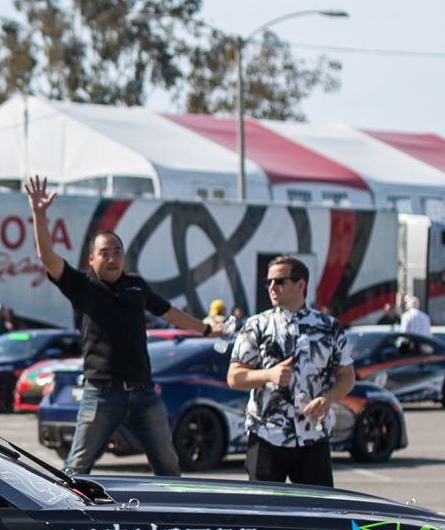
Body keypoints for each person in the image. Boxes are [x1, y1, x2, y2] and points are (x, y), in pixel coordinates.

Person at [24, 175, 224, 476]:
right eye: (104, 252)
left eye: (117, 251)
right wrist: (40, 214)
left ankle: (169, 520)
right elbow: (47, 256)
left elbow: (169, 312)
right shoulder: (81, 285)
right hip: (101, 393)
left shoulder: (136, 286)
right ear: (91, 259)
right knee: (76, 470)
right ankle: (66, 518)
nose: (112, 257)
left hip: (144, 394)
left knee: (169, 468)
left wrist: (207, 329)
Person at [227, 256, 356, 486]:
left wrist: (328, 399)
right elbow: (234, 377)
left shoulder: (329, 327)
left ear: (301, 285)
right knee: (264, 515)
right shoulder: (256, 325)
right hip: (267, 436)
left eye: (279, 281)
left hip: (313, 438)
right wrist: (268, 375)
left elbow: (347, 376)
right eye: (268, 282)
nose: (272, 287)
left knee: (317, 515)